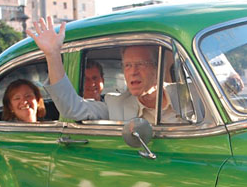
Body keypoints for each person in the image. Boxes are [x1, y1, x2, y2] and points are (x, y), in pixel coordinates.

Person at [26, 16, 183, 123]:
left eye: (140, 64)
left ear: (157, 68)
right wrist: (53, 55)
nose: (133, 72)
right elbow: (72, 108)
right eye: (127, 65)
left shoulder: (188, 96)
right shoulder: (116, 105)